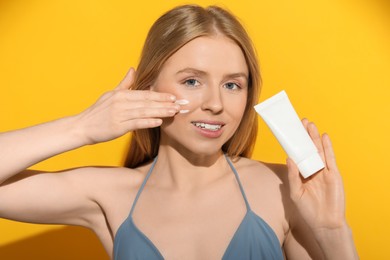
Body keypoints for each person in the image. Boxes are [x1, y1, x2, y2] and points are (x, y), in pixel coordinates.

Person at [0, 4, 358, 260]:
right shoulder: (109, 196)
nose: (216, 104)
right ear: (150, 86)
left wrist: (332, 231)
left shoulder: (282, 189)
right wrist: (82, 127)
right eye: (191, 81)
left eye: (233, 85)